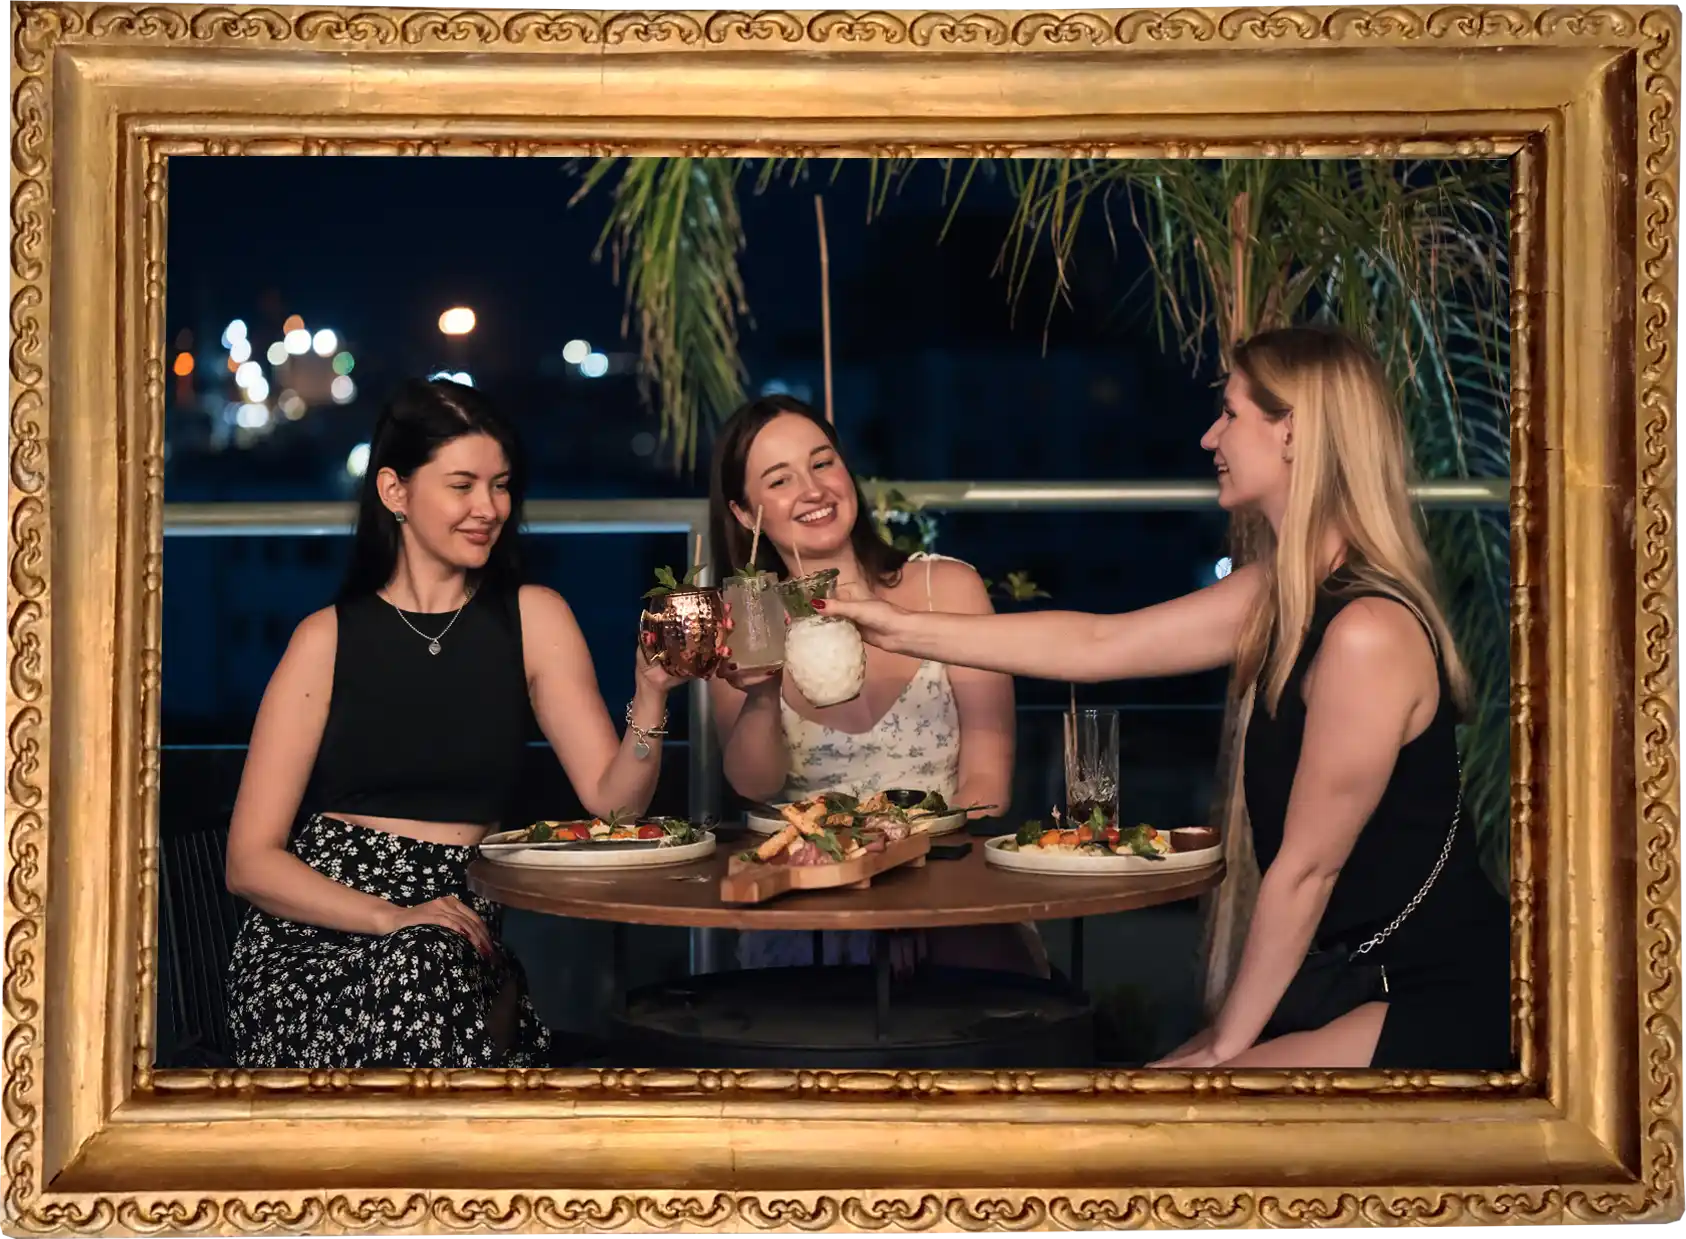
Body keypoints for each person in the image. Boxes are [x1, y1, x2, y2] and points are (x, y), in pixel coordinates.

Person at [820, 326, 1510, 1070]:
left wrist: (1221, 1049)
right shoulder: (1282, 592)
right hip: (1342, 981)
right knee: (1134, 1099)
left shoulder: (1366, 631)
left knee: (1167, 1116)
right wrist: (895, 624)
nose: (1211, 434)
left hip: (1431, 993)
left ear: (1293, 430)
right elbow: (1099, 645)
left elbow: (1307, 872)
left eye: (1232, 413)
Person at [224, 378, 691, 1069]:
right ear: (395, 491)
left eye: (500, 485)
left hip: (455, 936)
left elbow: (612, 802)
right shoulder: (324, 639)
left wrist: (651, 696)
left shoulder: (535, 617)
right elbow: (249, 861)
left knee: (429, 966)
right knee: (421, 965)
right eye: (463, 485)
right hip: (314, 938)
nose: (489, 508)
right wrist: (391, 917)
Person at [707, 395, 1042, 973]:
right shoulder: (745, 622)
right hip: (807, 904)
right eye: (780, 479)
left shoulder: (950, 589)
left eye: (822, 462)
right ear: (744, 512)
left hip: (945, 892)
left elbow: (988, 786)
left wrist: (911, 898)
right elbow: (754, 786)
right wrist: (762, 691)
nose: (813, 489)